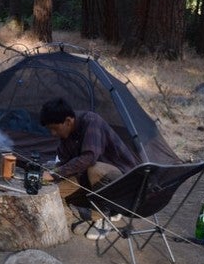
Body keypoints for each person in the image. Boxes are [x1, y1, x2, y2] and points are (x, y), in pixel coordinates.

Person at [39, 97, 141, 239]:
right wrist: (51, 172)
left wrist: (54, 174)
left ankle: (104, 215)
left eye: (54, 129)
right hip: (89, 178)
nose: (53, 134)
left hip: (122, 180)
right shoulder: (66, 134)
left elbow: (89, 158)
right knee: (55, 192)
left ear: (68, 121)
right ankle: (93, 212)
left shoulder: (91, 121)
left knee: (96, 168)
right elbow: (65, 162)